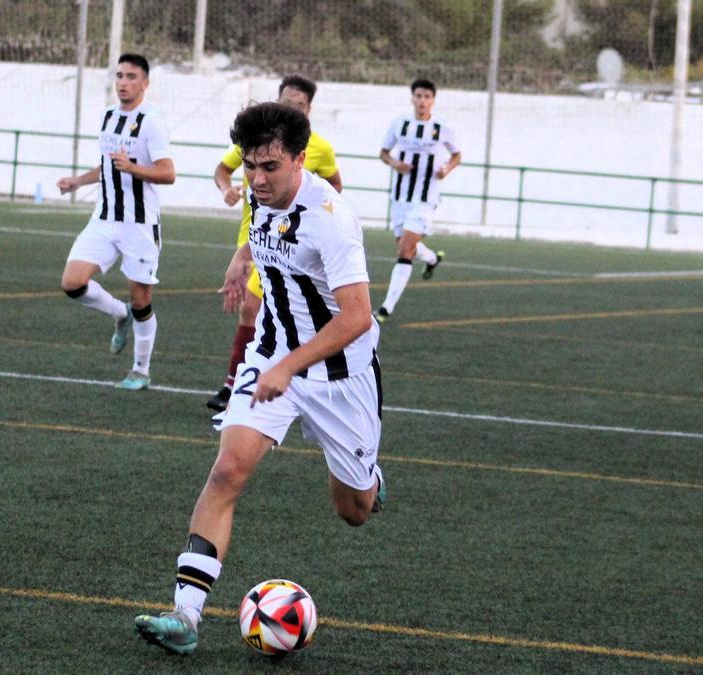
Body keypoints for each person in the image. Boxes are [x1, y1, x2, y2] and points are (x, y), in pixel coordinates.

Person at [134, 102, 383, 656]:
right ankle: (186, 615)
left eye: (270, 166)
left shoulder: (332, 219)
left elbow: (357, 316)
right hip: (270, 354)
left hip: (338, 374)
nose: (257, 178)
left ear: (300, 159)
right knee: (227, 470)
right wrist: (241, 256)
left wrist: (290, 368)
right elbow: (263, 230)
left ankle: (370, 478)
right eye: (250, 165)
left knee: (354, 510)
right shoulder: (259, 191)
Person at [207, 76, 343, 412]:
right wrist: (227, 191)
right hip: (253, 238)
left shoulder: (319, 148)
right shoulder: (255, 140)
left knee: (255, 308)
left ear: (309, 110)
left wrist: (313, 221)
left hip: (286, 246)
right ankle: (249, 381)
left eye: (297, 105)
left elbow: (335, 186)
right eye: (285, 101)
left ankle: (244, 382)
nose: (259, 175)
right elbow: (223, 170)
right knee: (257, 311)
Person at [57, 53, 176, 391]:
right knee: (72, 283)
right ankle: (117, 314)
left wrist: (134, 167)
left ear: (145, 83)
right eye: (120, 76)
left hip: (139, 225)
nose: (124, 82)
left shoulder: (152, 121)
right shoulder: (108, 116)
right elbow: (108, 166)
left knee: (141, 300)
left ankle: (140, 370)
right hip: (104, 219)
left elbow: (168, 173)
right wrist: (78, 181)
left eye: (132, 77)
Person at [375, 78, 461, 323]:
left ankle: (386, 308)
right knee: (403, 244)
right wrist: (395, 164)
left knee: (404, 250)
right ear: (412, 98)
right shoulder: (399, 124)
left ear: (433, 100)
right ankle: (432, 259)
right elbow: (383, 153)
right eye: (419, 96)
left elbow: (457, 155)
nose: (422, 101)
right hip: (401, 196)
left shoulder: (442, 126)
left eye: (427, 97)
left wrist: (446, 169)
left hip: (426, 198)